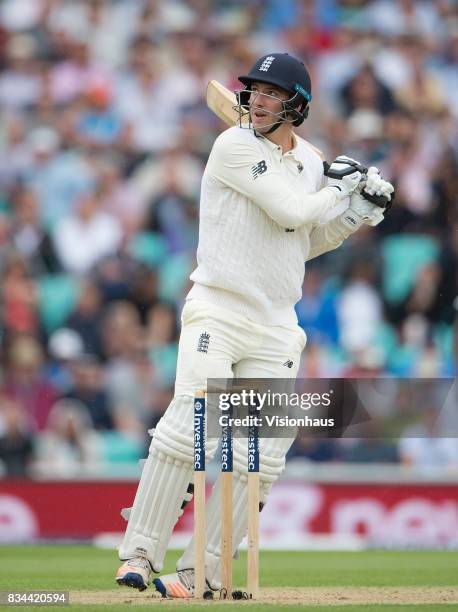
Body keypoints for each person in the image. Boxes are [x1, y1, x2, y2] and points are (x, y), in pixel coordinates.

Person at [115, 52, 394, 597]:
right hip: (218, 308)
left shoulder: (309, 167)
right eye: (254, 91)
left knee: (262, 452)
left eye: (271, 93)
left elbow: (304, 240)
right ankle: (139, 554)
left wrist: (360, 210)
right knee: (192, 427)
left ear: (297, 105)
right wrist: (341, 187)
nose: (257, 100)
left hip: (275, 321)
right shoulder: (234, 145)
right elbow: (293, 211)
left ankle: (204, 574)